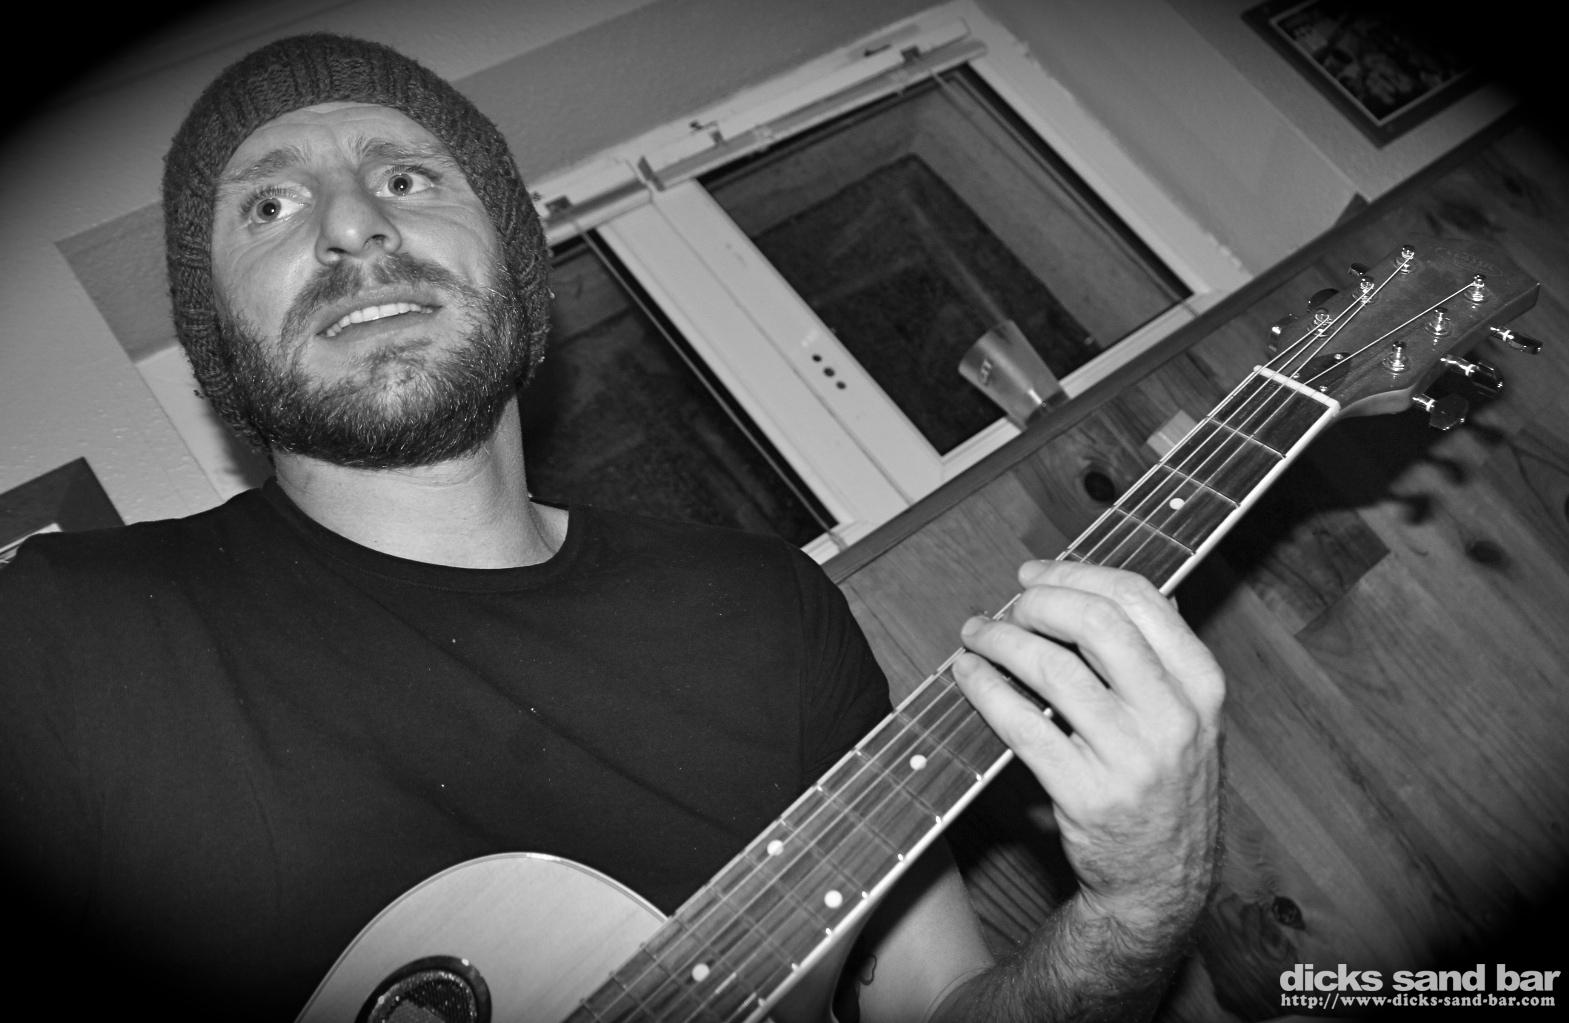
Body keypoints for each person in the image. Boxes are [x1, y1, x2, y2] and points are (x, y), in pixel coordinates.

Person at [0, 33, 1224, 1022]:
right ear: (217, 338)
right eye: (269, 205)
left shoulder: (767, 611)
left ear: (516, 263)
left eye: (408, 179)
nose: (352, 227)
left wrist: (1134, 910)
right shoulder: (59, 634)